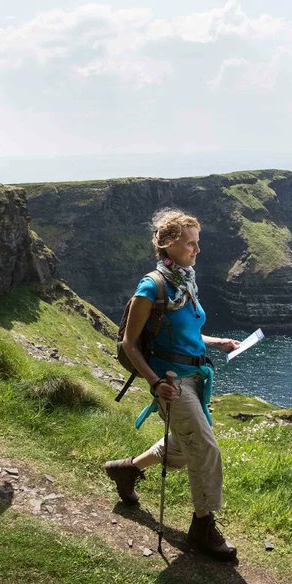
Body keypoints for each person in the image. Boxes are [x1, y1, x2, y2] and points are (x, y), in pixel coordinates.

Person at [104, 209, 241, 562]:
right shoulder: (153, 286)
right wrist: (154, 384)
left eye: (198, 242)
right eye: (190, 243)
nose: (198, 250)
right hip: (171, 383)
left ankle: (127, 469)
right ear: (168, 244)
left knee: (183, 448)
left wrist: (217, 342)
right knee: (205, 448)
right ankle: (202, 526)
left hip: (196, 378)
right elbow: (129, 345)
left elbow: (188, 333)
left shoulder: (185, 281)